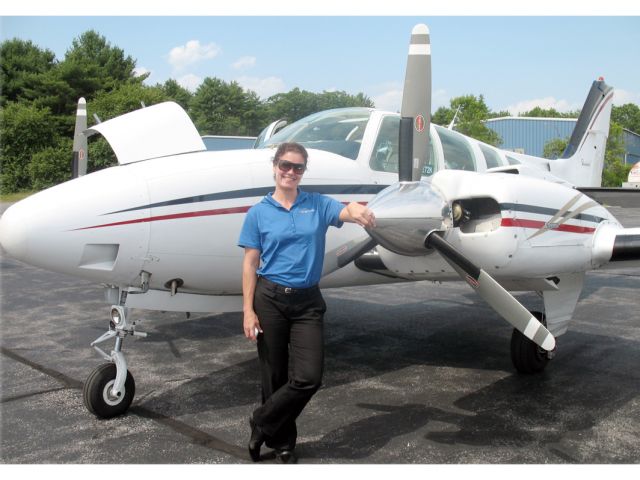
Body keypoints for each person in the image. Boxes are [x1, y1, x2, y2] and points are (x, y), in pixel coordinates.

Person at [237, 142, 375, 463]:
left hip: (307, 302)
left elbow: (345, 211)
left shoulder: (316, 204)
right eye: (285, 165)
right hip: (269, 298)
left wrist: (358, 210)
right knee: (274, 375)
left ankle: (261, 422)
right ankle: (283, 443)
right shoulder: (258, 213)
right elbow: (249, 264)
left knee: (309, 377)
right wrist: (248, 310)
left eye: (298, 168)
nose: (290, 172)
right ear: (275, 166)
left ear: (303, 172)